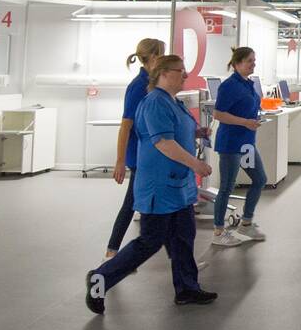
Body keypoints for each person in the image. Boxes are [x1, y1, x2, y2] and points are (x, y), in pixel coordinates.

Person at [85, 55, 217, 311]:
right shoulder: (155, 103)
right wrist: (196, 164)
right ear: (164, 74)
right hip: (159, 186)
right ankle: (100, 278)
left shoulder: (173, 102)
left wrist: (197, 133)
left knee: (183, 238)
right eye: (180, 71)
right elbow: (163, 143)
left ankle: (187, 288)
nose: (185, 75)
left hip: (178, 187)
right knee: (149, 242)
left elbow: (176, 132)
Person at [103, 37, 164, 260]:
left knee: (145, 205)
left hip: (153, 154)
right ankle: (111, 254)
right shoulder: (138, 87)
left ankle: (113, 253)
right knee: (130, 204)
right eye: (163, 53)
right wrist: (120, 161)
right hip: (140, 156)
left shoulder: (154, 83)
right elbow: (125, 126)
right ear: (154, 57)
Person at [210, 46, 268, 246]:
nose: (253, 64)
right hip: (231, 144)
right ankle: (218, 231)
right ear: (237, 64)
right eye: (249, 61)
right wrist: (245, 122)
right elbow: (219, 114)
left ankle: (246, 223)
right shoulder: (229, 86)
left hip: (247, 143)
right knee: (226, 186)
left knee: (259, 179)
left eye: (254, 60)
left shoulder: (248, 84)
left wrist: (255, 118)